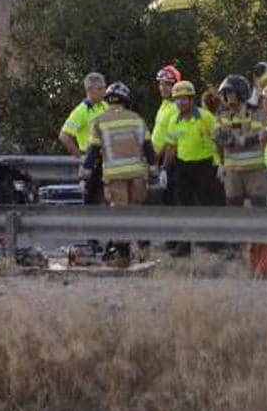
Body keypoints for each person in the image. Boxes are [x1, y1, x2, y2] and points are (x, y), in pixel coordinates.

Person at [84, 81, 152, 264]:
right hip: (137, 175)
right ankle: (145, 251)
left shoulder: (99, 121)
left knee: (120, 214)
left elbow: (92, 152)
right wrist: (153, 170)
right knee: (137, 211)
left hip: (115, 177)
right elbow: (148, 146)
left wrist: (85, 174)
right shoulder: (137, 119)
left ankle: (122, 255)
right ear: (126, 100)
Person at [161, 80, 222, 223]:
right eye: (177, 99)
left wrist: (221, 163)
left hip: (204, 165)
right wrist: (164, 168)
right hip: (183, 166)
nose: (180, 103)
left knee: (207, 202)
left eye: (183, 99)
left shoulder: (205, 117)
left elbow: (219, 141)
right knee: (183, 203)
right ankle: (186, 241)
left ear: (191, 99)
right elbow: (171, 146)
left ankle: (212, 240)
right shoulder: (174, 120)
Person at [213, 74, 266, 207]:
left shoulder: (256, 112)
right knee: (233, 209)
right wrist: (240, 140)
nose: (227, 96)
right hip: (232, 171)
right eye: (225, 93)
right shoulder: (222, 114)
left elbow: (260, 135)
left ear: (241, 92)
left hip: (256, 170)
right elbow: (218, 137)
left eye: (231, 92)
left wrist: (235, 139)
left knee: (259, 209)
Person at [58, 72, 109, 205]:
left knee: (107, 198)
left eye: (104, 87)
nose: (104, 91)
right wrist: (80, 157)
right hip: (91, 158)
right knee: (92, 199)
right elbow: (64, 136)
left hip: (107, 159)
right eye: (100, 88)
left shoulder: (104, 106)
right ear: (90, 90)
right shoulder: (81, 111)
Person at [151, 65, 184, 205]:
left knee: (171, 199)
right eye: (161, 83)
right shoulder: (164, 104)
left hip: (169, 160)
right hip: (157, 158)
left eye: (168, 84)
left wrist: (158, 160)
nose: (163, 88)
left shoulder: (176, 107)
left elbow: (171, 138)